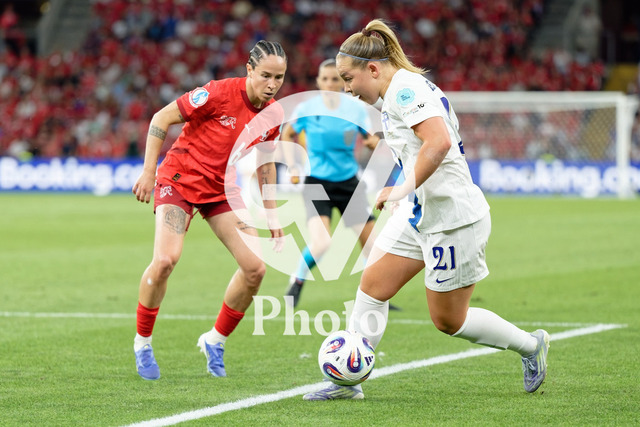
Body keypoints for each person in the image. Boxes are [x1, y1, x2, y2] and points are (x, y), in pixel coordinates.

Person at [303, 20, 549, 400]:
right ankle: (349, 383)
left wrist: (402, 187)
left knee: (448, 320)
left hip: (452, 219)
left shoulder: (406, 90)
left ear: (373, 69)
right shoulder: (393, 93)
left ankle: (531, 346)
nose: (347, 88)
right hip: (418, 212)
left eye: (348, 79)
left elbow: (438, 142)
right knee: (372, 288)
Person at [131, 40, 287, 380]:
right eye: (265, 75)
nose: (272, 84)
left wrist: (272, 213)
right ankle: (143, 342)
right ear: (249, 70)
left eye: (279, 77)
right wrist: (148, 171)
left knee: (255, 269)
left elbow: (266, 164)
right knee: (165, 261)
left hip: (221, 190)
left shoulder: (274, 114)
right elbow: (161, 118)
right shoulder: (217, 93)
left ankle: (215, 340)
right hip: (179, 180)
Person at [282, 58, 385, 308]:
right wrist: (293, 164)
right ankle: (297, 280)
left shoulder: (355, 110)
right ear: (318, 81)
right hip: (317, 183)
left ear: (343, 82)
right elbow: (288, 133)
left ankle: (372, 296)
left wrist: (377, 143)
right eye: (325, 79)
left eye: (335, 79)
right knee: (322, 243)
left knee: (372, 245)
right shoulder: (307, 108)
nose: (330, 84)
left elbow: (368, 138)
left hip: (349, 182)